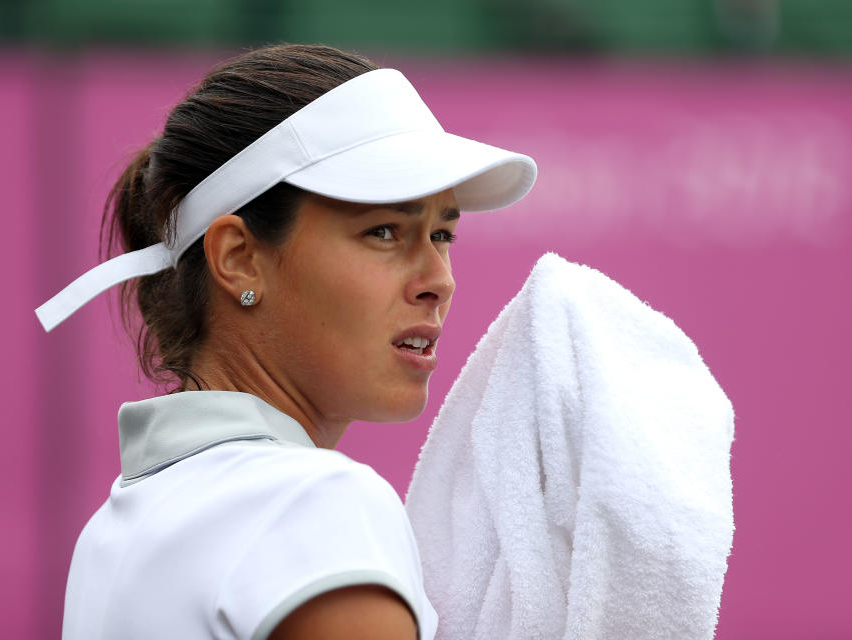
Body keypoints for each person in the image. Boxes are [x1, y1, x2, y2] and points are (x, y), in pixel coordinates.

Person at [36, 44, 536, 640]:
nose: (439, 281)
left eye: (442, 233)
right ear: (239, 259)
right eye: (383, 231)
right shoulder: (318, 502)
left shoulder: (115, 529)